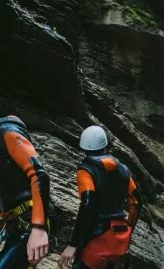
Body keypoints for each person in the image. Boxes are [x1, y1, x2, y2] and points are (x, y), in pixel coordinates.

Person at [58, 126, 143, 269]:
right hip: (119, 237)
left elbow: (87, 205)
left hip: (98, 238)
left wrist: (73, 245)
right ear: (105, 145)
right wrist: (129, 229)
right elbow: (136, 203)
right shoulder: (123, 169)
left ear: (83, 147)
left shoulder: (86, 170)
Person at [0, 115, 50, 268]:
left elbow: (39, 175)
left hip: (30, 220)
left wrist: (38, 229)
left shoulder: (7, 131)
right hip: (14, 221)